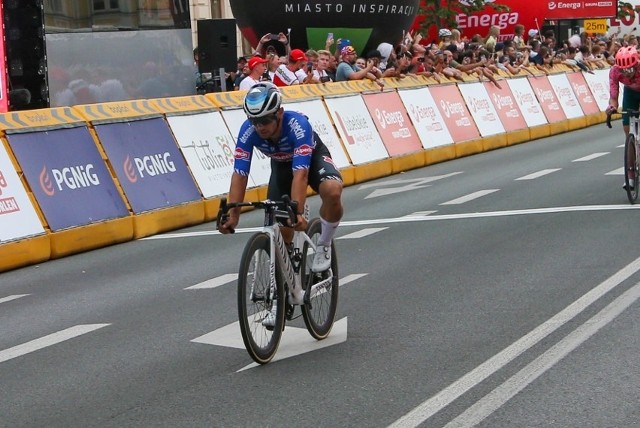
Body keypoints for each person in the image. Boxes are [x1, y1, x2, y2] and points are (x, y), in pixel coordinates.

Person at [219, 81, 344, 282]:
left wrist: (298, 212)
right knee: (283, 231)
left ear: (279, 113)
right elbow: (240, 174)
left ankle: (324, 244)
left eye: (266, 120)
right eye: (254, 120)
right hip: (281, 167)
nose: (260, 127)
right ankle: (284, 287)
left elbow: (301, 174)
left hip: (311, 161)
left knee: (332, 191)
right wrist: (233, 215)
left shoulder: (297, 125)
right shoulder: (248, 131)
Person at [608, 46, 640, 188]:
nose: (627, 73)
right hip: (630, 93)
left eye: (630, 69)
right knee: (628, 132)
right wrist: (612, 107)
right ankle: (631, 174)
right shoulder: (614, 71)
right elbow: (613, 96)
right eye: (624, 70)